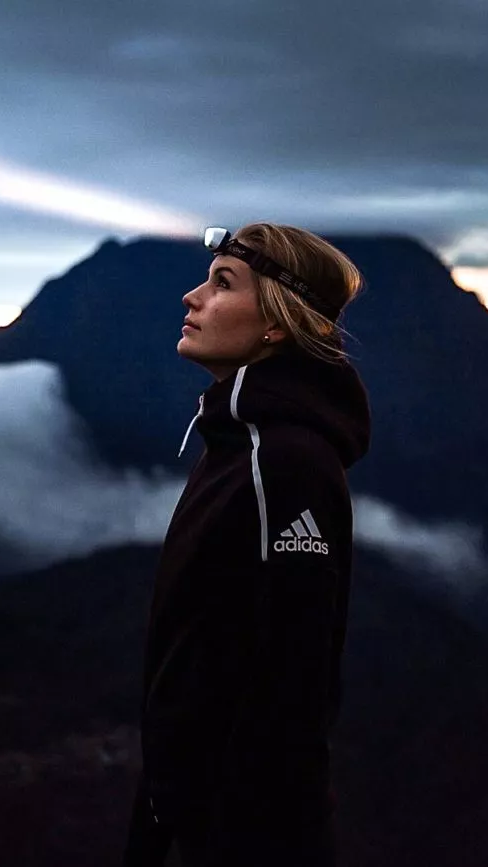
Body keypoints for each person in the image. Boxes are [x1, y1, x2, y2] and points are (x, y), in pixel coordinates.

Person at [121, 222, 371, 867]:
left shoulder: (284, 465)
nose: (191, 297)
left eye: (222, 283)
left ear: (277, 325)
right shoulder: (235, 445)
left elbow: (293, 687)